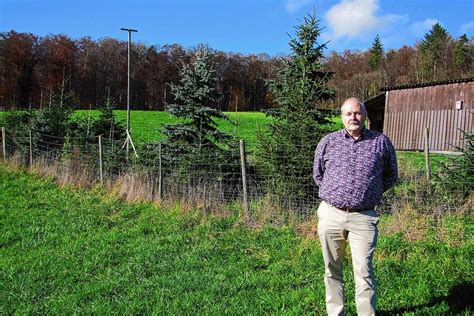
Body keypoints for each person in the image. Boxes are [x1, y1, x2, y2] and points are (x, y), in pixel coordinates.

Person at [313, 97, 398, 315]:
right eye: (348, 113)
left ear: (365, 116)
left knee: (364, 272)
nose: (354, 117)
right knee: (332, 270)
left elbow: (391, 175)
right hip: (331, 214)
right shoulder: (328, 142)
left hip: (364, 217)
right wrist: (336, 195)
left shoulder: (381, 142)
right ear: (341, 117)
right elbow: (318, 174)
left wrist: (370, 192)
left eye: (358, 113)